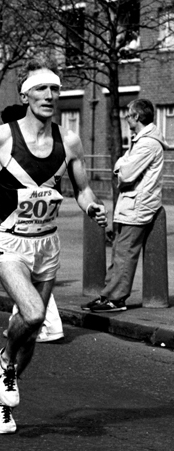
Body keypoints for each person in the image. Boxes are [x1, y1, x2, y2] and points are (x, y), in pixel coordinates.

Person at [0, 66, 103, 435]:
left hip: (47, 245)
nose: (51, 95)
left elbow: (82, 187)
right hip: (8, 243)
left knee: (31, 335)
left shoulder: (68, 141)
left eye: (55, 89)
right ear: (25, 96)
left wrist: (92, 207)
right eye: (41, 89)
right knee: (34, 314)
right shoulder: (0, 137)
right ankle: (4, 362)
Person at [85, 98, 162, 313]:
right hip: (129, 204)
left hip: (137, 205)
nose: (126, 118)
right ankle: (108, 295)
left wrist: (120, 165)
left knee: (125, 253)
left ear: (136, 116)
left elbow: (126, 172)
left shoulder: (148, 144)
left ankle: (116, 299)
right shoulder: (139, 141)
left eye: (128, 115)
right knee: (119, 251)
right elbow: (123, 166)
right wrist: (122, 164)